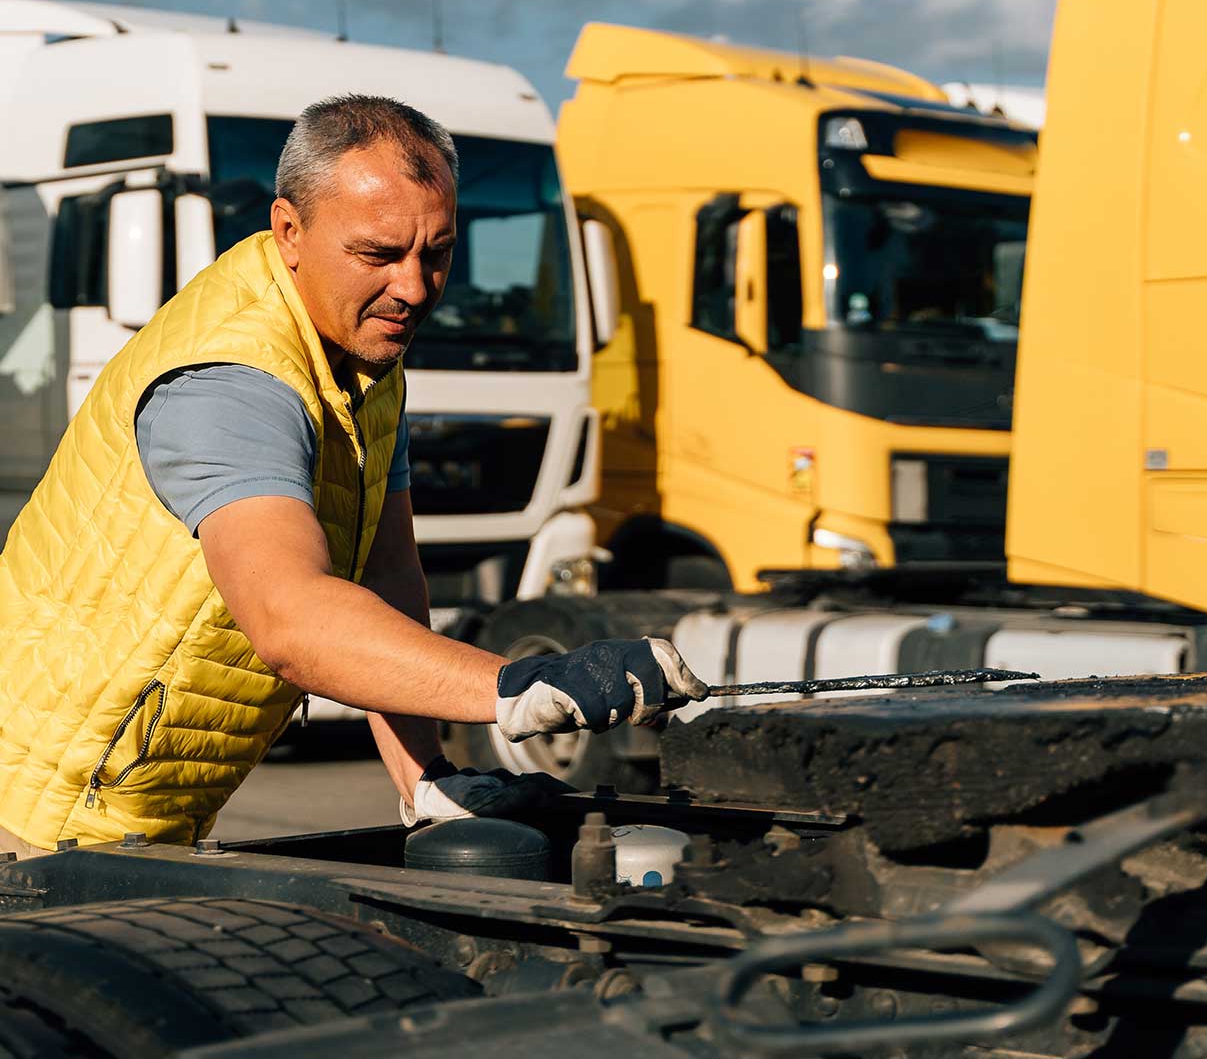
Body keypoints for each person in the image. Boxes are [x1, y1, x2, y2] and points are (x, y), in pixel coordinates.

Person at [0, 95, 707, 856]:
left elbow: (387, 574)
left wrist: (424, 773)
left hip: (135, 797)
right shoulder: (232, 380)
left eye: (436, 252)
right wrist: (511, 688)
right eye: (378, 254)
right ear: (289, 230)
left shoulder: (363, 354)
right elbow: (291, 619)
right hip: (37, 802)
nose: (413, 287)